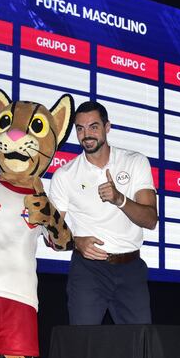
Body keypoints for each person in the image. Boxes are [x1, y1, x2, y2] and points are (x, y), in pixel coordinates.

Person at [49, 101, 157, 325]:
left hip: (130, 267)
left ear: (108, 127)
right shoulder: (64, 175)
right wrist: (76, 241)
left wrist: (120, 200)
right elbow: (51, 236)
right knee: (83, 344)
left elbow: (150, 220)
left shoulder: (135, 162)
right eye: (80, 128)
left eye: (93, 127)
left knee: (139, 345)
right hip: (88, 271)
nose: (86, 134)